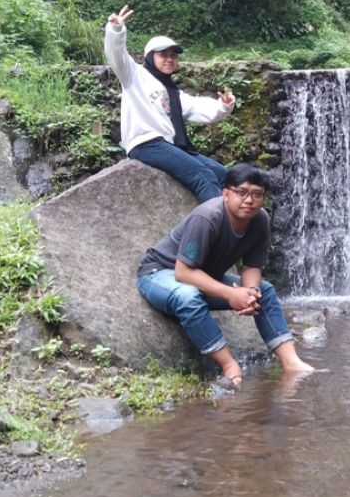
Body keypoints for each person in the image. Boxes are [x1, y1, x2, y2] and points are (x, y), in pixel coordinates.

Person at [136, 163, 318, 386]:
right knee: (187, 296)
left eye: (257, 194)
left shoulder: (260, 220)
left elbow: (252, 266)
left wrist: (250, 293)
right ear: (225, 194)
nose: (249, 200)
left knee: (265, 291)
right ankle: (229, 365)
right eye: (242, 192)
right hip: (160, 273)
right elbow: (183, 272)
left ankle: (291, 362)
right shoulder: (207, 217)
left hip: (204, 276)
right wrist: (230, 294)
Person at [104, 4, 236, 203]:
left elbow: (198, 107)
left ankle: (234, 218)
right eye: (163, 55)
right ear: (150, 57)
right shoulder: (134, 76)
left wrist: (224, 106)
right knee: (203, 175)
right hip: (146, 143)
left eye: (173, 55)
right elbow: (117, 56)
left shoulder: (172, 92)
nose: (169, 59)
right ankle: (215, 221)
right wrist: (116, 30)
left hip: (168, 145)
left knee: (224, 175)